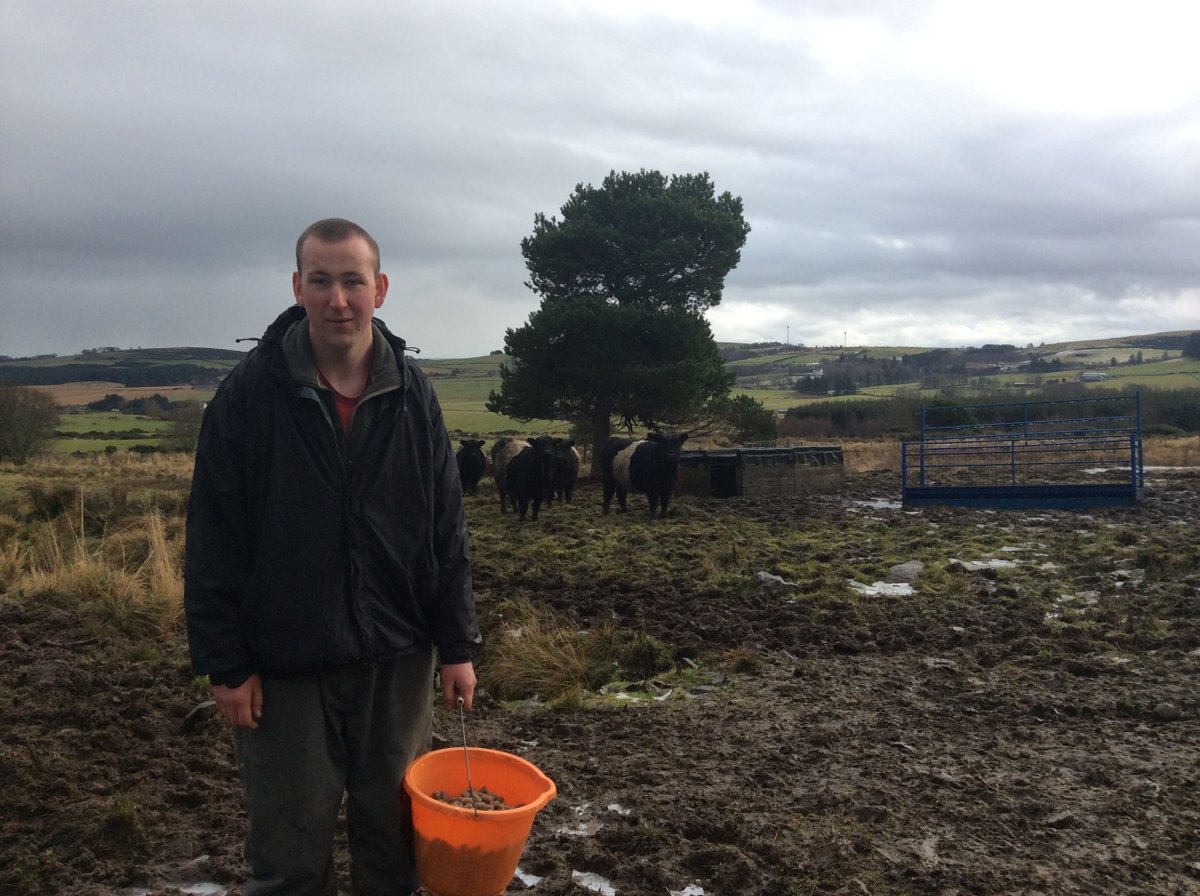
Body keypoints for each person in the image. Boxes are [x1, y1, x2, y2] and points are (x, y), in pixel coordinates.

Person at [184, 217, 481, 896]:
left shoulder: (413, 394)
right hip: (284, 667)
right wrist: (226, 663)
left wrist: (458, 644)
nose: (338, 299)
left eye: (353, 281)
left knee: (396, 853)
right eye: (321, 281)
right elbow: (213, 539)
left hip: (397, 661)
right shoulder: (248, 395)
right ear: (298, 287)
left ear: (380, 288)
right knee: (288, 858)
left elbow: (446, 529)